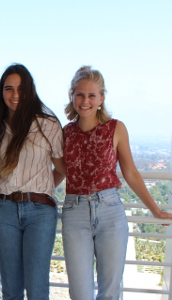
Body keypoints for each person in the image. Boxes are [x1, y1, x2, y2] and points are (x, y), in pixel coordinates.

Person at [62, 66, 172, 300]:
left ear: (101, 98)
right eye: (80, 94)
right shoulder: (65, 133)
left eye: (92, 95)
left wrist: (155, 210)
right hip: (75, 212)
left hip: (110, 210)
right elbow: (60, 171)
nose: (85, 101)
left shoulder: (116, 128)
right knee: (80, 294)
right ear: (72, 96)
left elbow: (130, 172)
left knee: (110, 293)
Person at [0, 64, 66, 300]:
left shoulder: (47, 125)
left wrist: (43, 188)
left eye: (21, 89)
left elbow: (62, 168)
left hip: (40, 211)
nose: (15, 95)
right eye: (9, 89)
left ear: (30, 91)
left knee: (37, 288)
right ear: (2, 92)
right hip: (4, 210)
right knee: (10, 289)